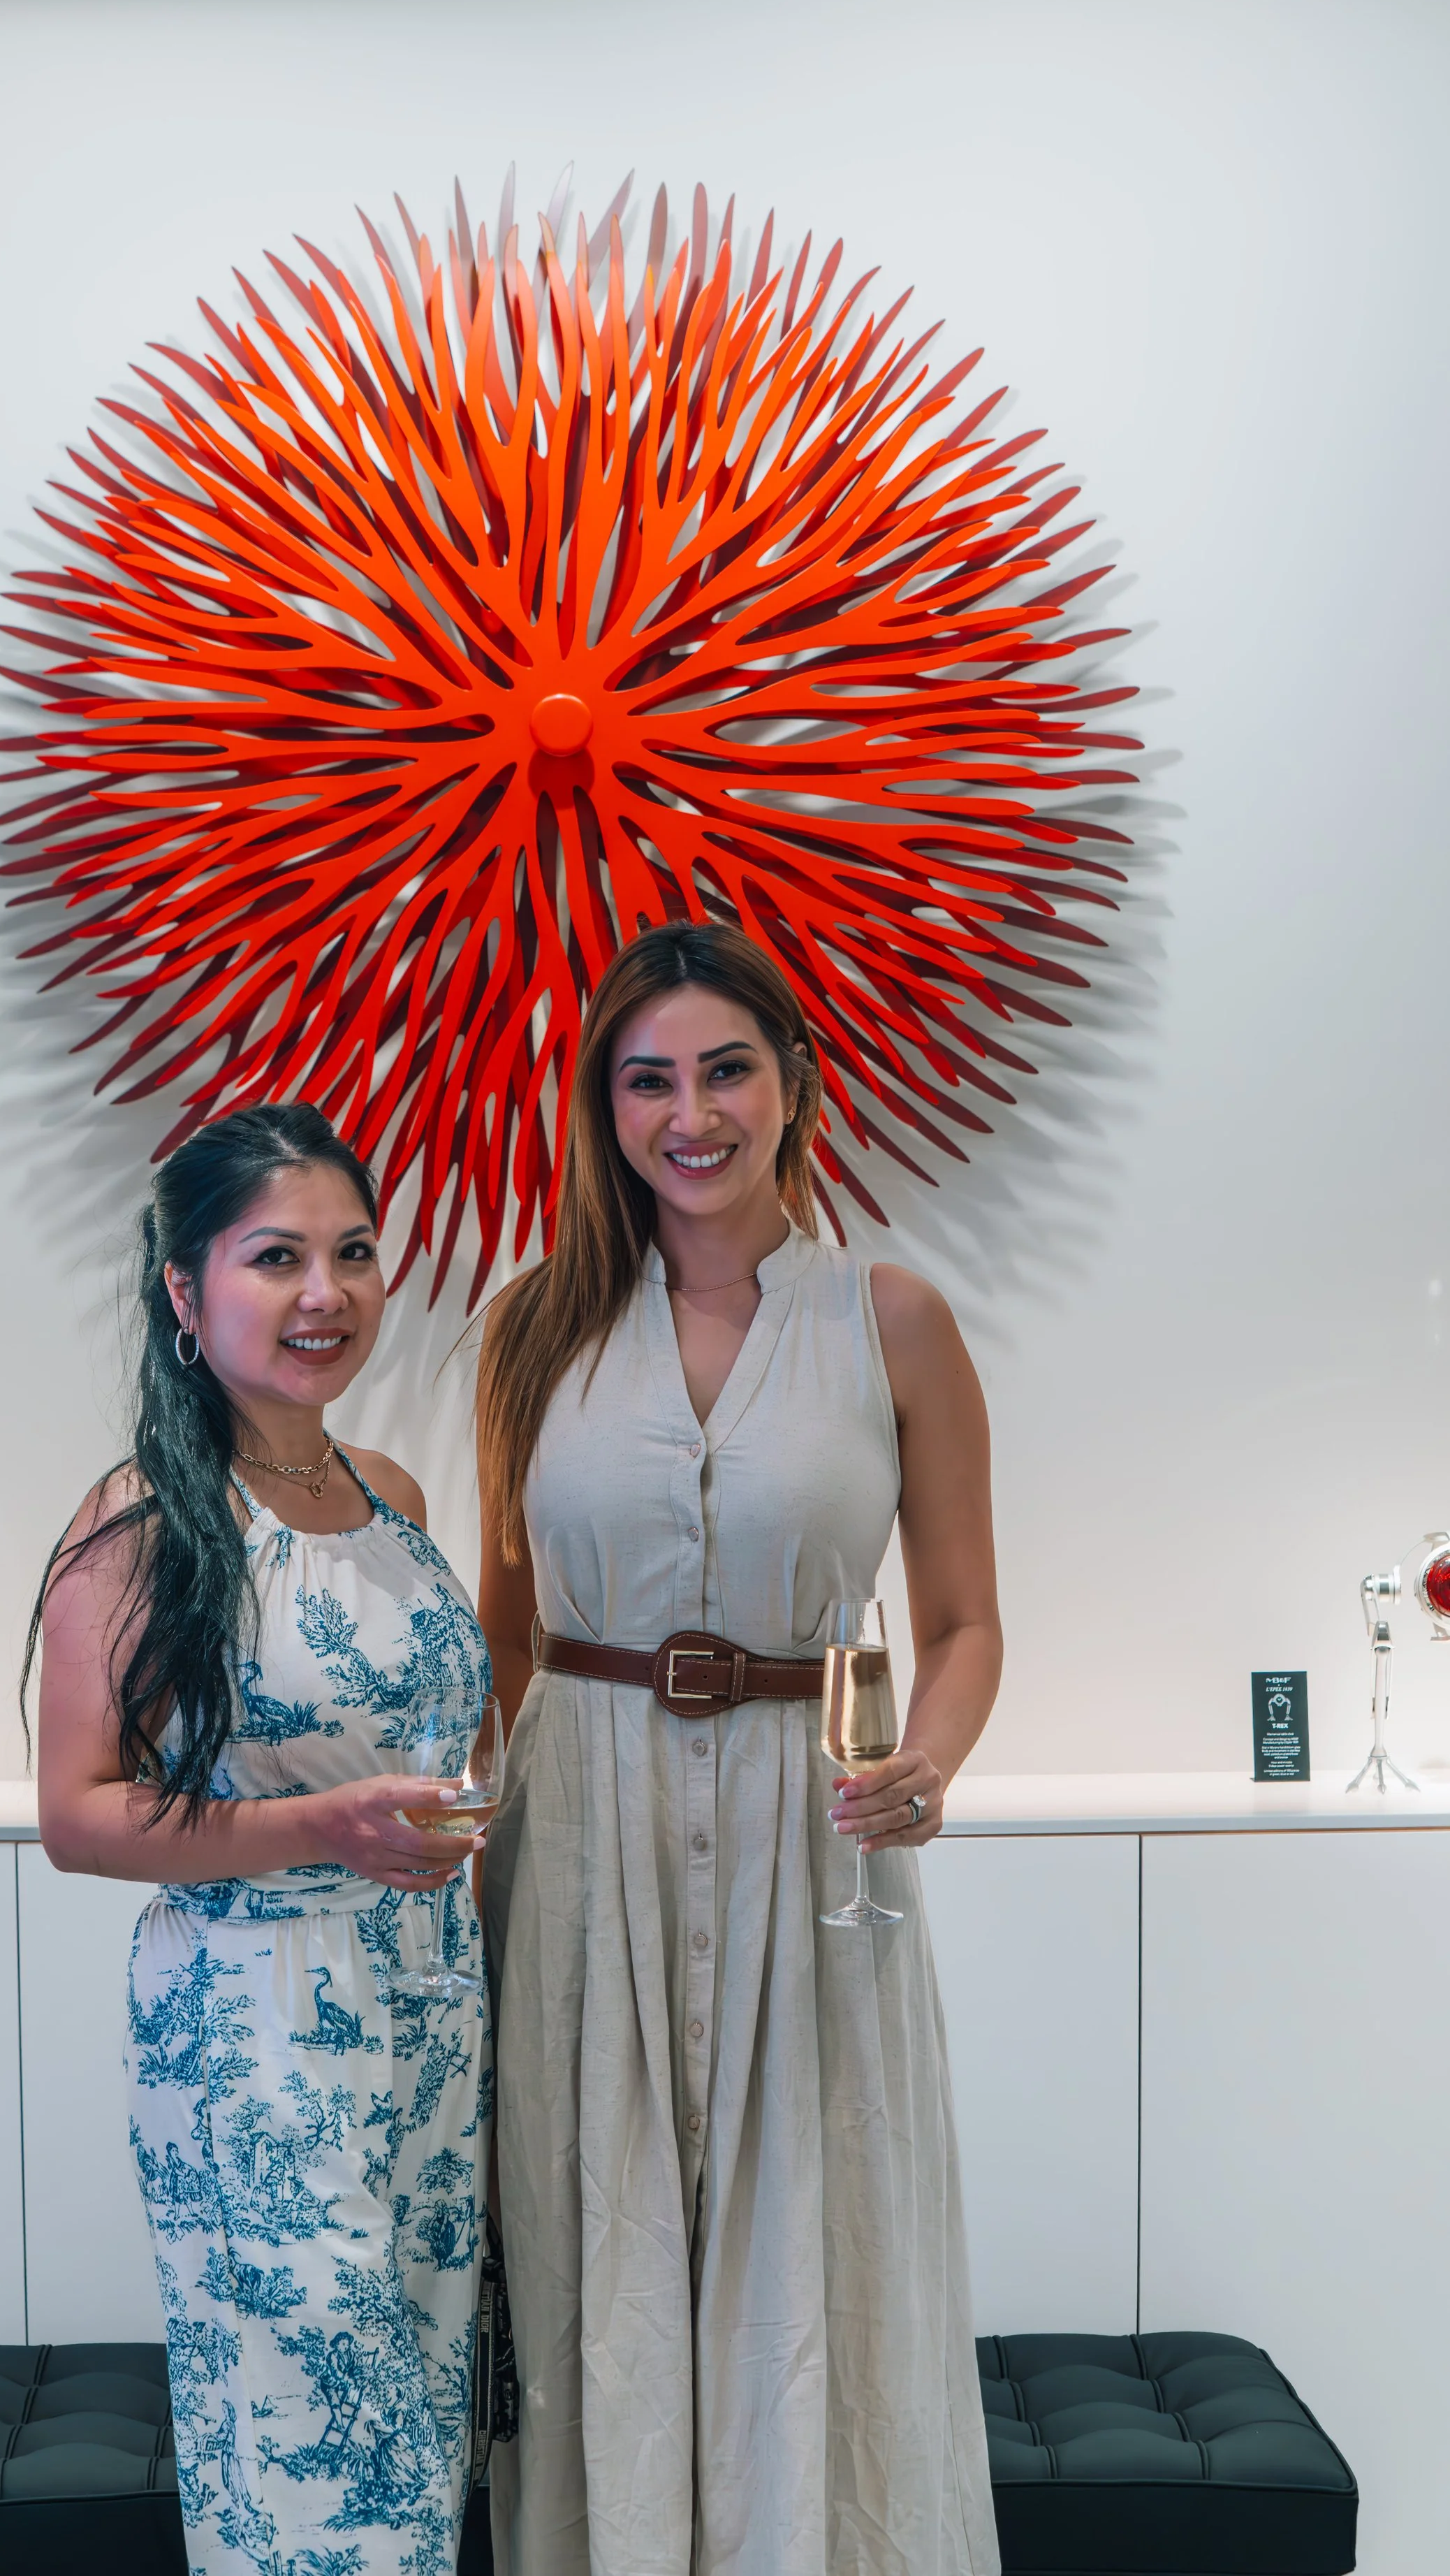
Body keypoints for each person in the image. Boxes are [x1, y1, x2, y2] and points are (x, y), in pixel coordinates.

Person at [476, 923, 1003, 2576]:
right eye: (647, 1080)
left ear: (793, 1083)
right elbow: (503, 1636)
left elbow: (963, 1621)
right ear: (603, 1105)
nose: (688, 1114)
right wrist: (477, 1864)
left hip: (815, 1833)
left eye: (724, 1070)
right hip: (583, 1843)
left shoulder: (890, 1318)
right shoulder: (533, 1327)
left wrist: (928, 1760)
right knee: (596, 2248)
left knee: (818, 2245)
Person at [31, 1102, 493, 2576]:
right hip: (255, 2030)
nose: (325, 1293)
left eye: (353, 1253)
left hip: (430, 2019)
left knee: (421, 2443)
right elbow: (77, 1813)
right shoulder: (140, 1522)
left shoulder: (393, 1497)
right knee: (321, 2471)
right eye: (276, 1256)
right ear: (185, 1288)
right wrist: (321, 1825)